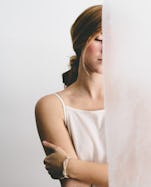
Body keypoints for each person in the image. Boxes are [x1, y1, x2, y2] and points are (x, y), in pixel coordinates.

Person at [35, 5, 108, 187]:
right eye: (99, 39)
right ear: (81, 42)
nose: (106, 49)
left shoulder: (137, 102)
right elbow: (73, 185)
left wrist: (67, 165)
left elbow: (139, 176)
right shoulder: (52, 106)